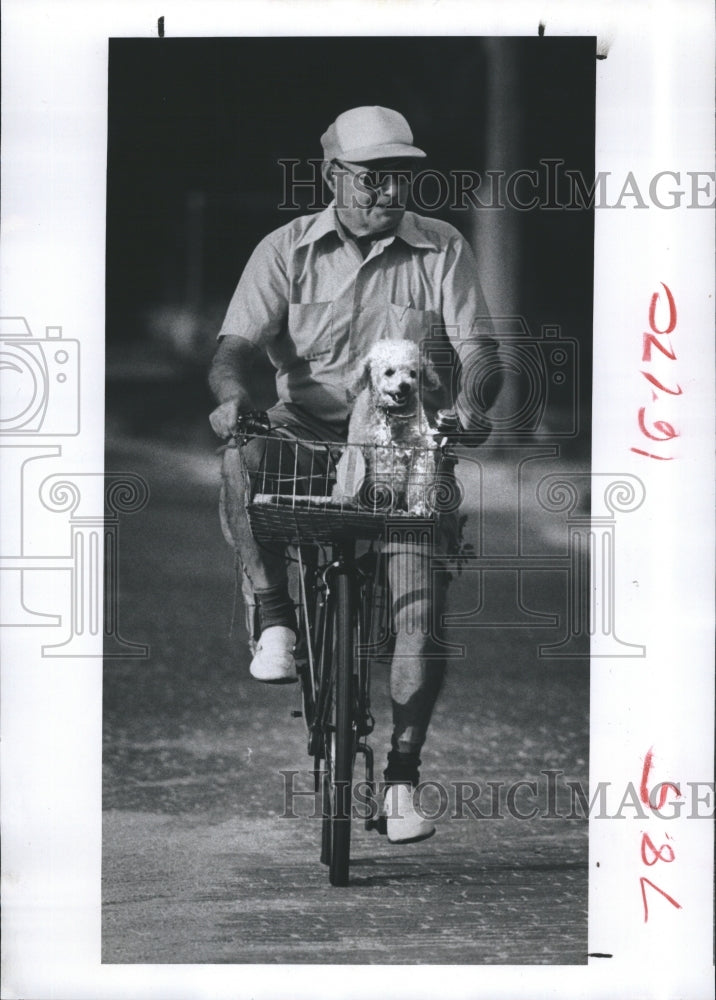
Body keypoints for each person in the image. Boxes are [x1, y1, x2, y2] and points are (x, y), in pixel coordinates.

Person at [208, 106, 501, 843]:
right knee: (241, 454)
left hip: (406, 445)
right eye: (373, 176)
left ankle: (401, 779)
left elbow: (479, 351)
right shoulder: (286, 249)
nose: (389, 190)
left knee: (418, 609)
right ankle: (275, 618)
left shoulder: (442, 247)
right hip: (306, 431)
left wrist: (471, 405)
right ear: (331, 174)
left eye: (401, 176)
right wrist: (232, 397)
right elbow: (233, 349)